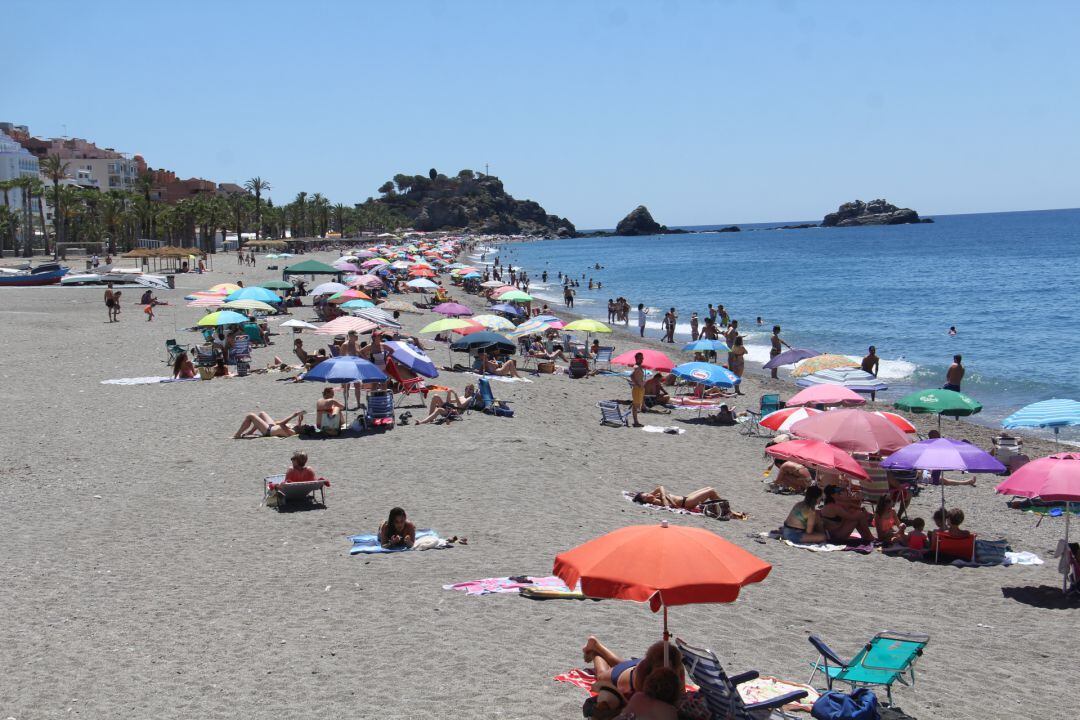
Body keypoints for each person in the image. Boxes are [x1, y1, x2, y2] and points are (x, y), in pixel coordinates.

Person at [582, 637, 684, 705]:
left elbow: (681, 694)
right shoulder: (644, 677)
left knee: (620, 665)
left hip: (633, 666)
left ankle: (596, 645)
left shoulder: (675, 668)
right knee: (601, 676)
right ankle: (594, 653)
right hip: (626, 676)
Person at [232, 410, 306, 438]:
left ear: (302, 431)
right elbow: (280, 423)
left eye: (304, 426)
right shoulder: (296, 428)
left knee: (250, 415)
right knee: (261, 413)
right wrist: (300, 420)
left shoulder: (292, 432)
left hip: (268, 431)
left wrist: (294, 415)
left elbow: (282, 424)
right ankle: (251, 432)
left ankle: (237, 434)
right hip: (272, 426)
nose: (304, 425)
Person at [630, 352, 646, 427]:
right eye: (640, 358)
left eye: (642, 358)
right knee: (635, 405)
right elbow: (631, 375)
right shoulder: (636, 367)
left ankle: (636, 421)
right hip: (637, 388)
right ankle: (635, 422)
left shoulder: (639, 367)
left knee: (637, 405)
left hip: (640, 388)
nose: (642, 359)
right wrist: (637, 383)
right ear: (637, 359)